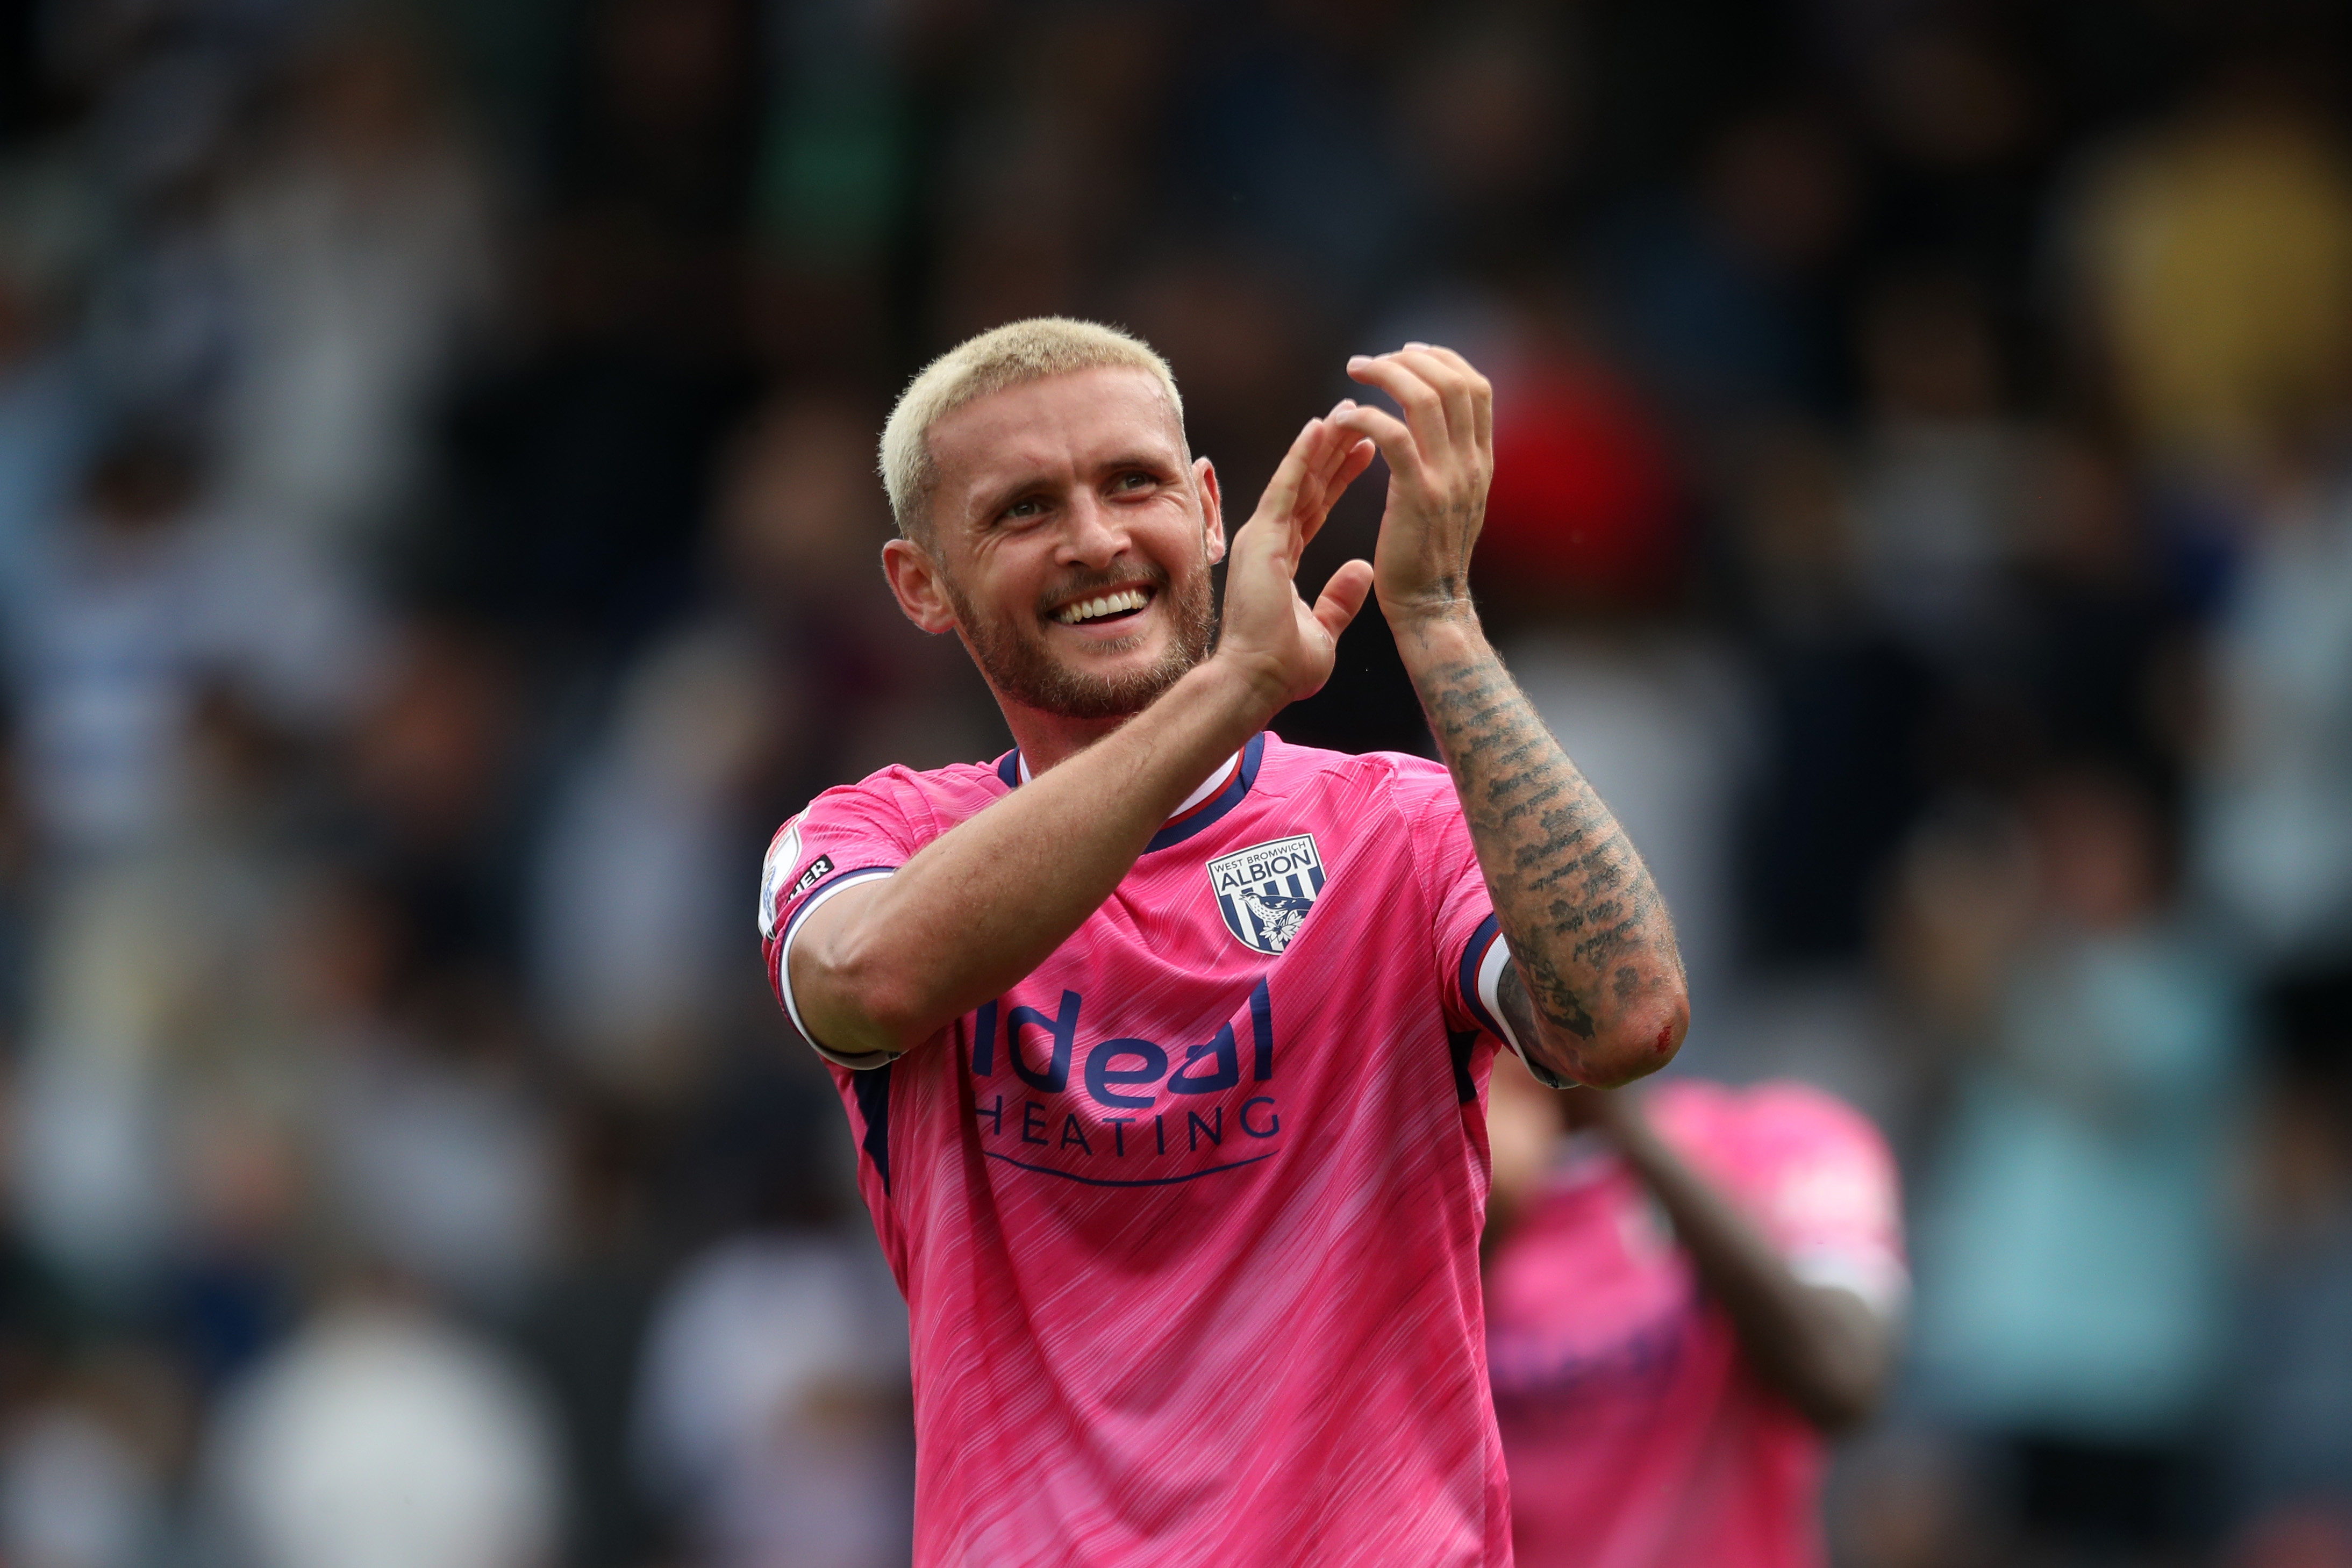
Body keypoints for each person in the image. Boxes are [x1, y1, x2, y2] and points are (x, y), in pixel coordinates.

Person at [755, 318, 1689, 1565]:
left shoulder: (1394, 829)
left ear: (1207, 507)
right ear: (921, 581)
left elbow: (1625, 1018)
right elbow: (870, 981)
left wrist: (1441, 619)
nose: (1095, 537)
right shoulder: (872, 832)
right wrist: (1237, 684)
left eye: (1131, 482)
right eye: (1025, 508)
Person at [1482, 1054, 1905, 1568]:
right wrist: (1484, 1204)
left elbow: (1843, 1375)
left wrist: (1623, 1130)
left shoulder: (1775, 1144)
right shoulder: (1426, 1193)